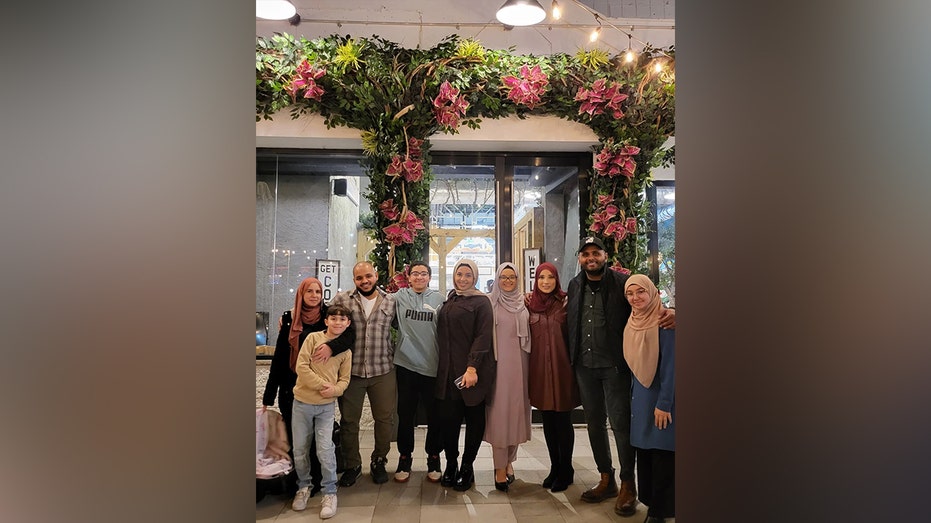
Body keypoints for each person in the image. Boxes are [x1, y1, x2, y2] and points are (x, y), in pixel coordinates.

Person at [567, 236, 675, 517]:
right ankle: (607, 478)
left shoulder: (621, 284)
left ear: (606, 255)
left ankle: (629, 484)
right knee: (594, 424)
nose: (591, 258)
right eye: (586, 253)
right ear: (580, 258)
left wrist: (674, 312)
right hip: (584, 366)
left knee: (621, 426)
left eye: (596, 253)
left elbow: (646, 307)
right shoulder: (575, 284)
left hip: (615, 366)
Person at [261, 277, 355, 497]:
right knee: (298, 441)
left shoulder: (328, 316)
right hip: (293, 386)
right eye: (309, 291)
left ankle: (322, 481)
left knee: (322, 442)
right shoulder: (289, 318)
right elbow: (280, 358)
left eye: (318, 291)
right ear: (301, 294)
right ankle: (302, 483)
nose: (314, 295)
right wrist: (268, 394)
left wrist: (331, 348)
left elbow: (349, 335)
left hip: (322, 392)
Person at [331, 261, 397, 486]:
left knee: (384, 419)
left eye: (368, 276)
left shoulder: (390, 301)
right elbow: (323, 318)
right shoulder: (342, 300)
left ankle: (379, 460)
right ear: (354, 279)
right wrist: (289, 316)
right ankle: (352, 465)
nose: (364, 281)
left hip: (383, 370)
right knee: (349, 421)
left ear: (376, 275)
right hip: (352, 373)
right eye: (359, 278)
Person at [434, 259, 495, 492]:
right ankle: (451, 464)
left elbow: (483, 337)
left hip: (472, 374)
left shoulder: (482, 302)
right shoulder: (450, 299)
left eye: (468, 275)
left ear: (475, 277)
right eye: (459, 274)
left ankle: (467, 467)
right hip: (448, 373)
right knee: (448, 423)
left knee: (474, 421)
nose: (463, 279)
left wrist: (472, 368)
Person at [289, 304, 353, 519]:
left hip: (326, 407)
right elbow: (302, 367)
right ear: (326, 321)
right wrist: (323, 386)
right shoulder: (313, 339)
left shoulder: (345, 351)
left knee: (325, 450)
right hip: (302, 403)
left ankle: (330, 492)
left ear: (348, 324)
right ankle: (304, 487)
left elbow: (345, 379)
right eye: (333, 318)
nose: (337, 322)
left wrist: (335, 390)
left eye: (342, 319)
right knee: (300, 450)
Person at [623, 275, 675, 523]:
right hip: (639, 401)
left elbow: (671, 367)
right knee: (644, 454)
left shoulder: (665, 322)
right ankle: (651, 504)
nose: (635, 298)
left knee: (662, 455)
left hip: (660, 401)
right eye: (630, 293)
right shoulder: (632, 322)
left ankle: (660, 512)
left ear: (652, 292)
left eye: (640, 292)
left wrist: (664, 403)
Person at [525, 262, 580, 493]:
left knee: (563, 422)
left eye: (550, 277)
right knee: (548, 421)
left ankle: (566, 469)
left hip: (562, 370)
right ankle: (555, 467)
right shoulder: (529, 305)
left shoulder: (567, 303)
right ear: (535, 281)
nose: (546, 282)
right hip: (539, 371)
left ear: (557, 280)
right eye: (541, 278)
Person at [391, 261, 445, 483]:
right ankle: (405, 457)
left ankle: (434, 457)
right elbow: (371, 298)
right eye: (415, 274)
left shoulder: (440, 299)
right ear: (409, 277)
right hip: (406, 366)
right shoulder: (398, 297)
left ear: (429, 277)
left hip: (432, 367)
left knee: (435, 417)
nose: (420, 277)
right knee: (405, 415)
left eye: (424, 274)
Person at [484, 262, 532, 492]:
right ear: (497, 279)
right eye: (503, 277)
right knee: (499, 417)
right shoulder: (490, 304)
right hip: (499, 369)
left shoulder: (524, 303)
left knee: (516, 416)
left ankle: (510, 461)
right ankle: (499, 467)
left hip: (521, 369)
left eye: (512, 277)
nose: (508, 281)